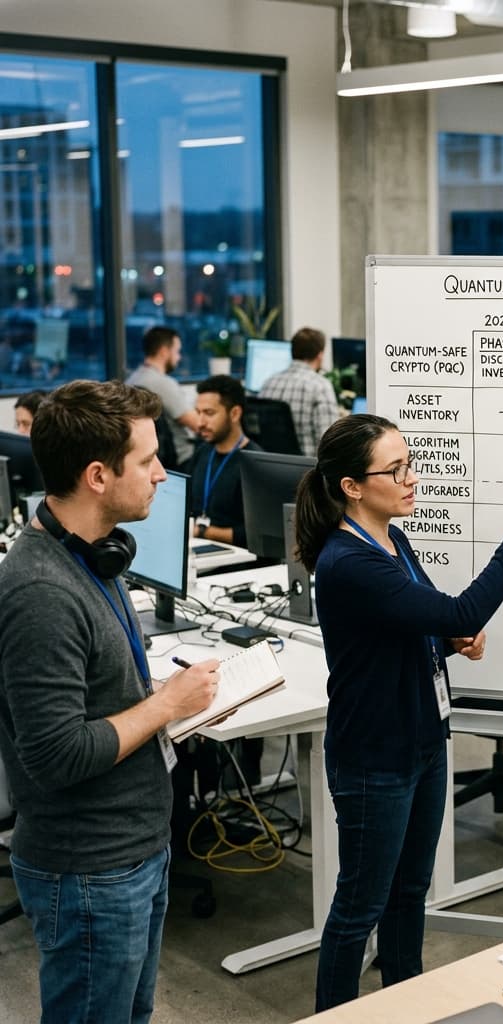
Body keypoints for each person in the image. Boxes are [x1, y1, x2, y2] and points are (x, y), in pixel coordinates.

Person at [293, 413, 503, 1009]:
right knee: (360, 906)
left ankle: (403, 1005)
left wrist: (446, 642)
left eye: (411, 463)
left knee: (410, 892)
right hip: (375, 758)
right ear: (352, 487)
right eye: (397, 470)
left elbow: (420, 622)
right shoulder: (348, 560)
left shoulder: (391, 537)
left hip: (422, 741)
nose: (413, 479)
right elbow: (461, 610)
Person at [0, 380, 220, 1024]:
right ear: (98, 476)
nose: (161, 474)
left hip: (132, 847)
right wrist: (166, 705)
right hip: (90, 868)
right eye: (148, 461)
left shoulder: (93, 557)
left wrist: (157, 699)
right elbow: (57, 754)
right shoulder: (43, 590)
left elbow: (93, 698)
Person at [187, 374, 261, 548]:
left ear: (235, 413)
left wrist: (202, 532)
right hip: (198, 549)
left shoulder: (254, 464)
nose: (200, 422)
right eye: (198, 413)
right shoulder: (203, 452)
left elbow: (257, 534)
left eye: (209, 413)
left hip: (237, 562)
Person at [126, 326, 201, 467]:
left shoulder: (132, 380)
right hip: (182, 459)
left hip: (151, 457)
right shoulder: (164, 384)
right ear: (164, 352)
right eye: (177, 351)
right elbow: (199, 425)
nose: (179, 358)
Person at [258, 326, 339, 457]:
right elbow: (331, 443)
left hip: (271, 469)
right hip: (306, 472)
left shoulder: (268, 384)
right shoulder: (320, 386)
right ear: (320, 355)